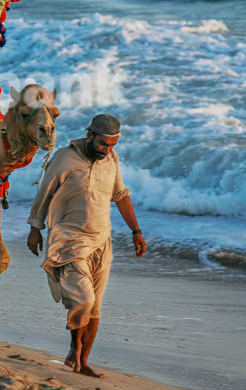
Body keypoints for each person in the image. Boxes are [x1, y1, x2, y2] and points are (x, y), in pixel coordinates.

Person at [27, 113, 146, 379]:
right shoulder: (63, 158)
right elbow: (44, 192)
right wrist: (35, 228)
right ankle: (75, 347)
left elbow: (120, 195)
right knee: (83, 299)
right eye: (104, 143)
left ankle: (82, 361)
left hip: (101, 241)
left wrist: (136, 232)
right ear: (90, 135)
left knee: (95, 307)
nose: (108, 150)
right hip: (68, 239)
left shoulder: (111, 160)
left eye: (113, 145)